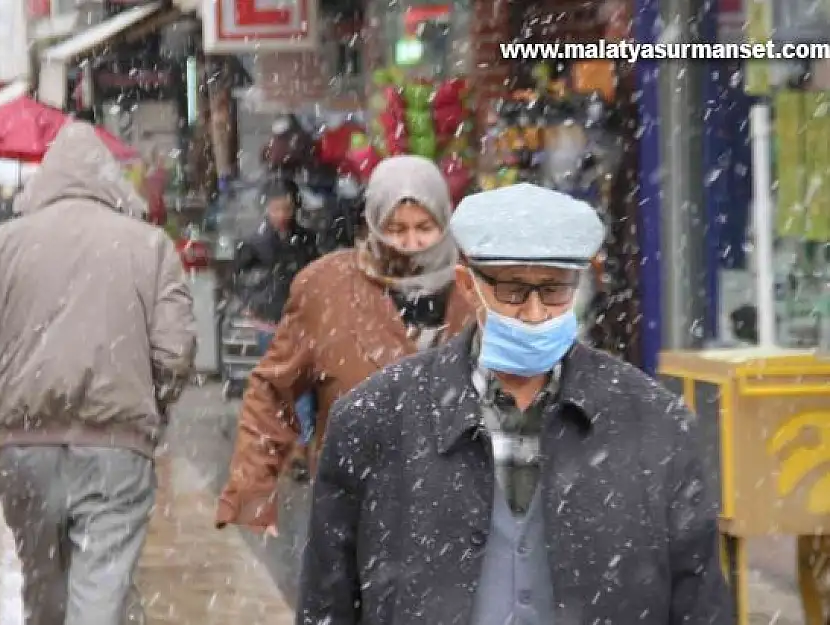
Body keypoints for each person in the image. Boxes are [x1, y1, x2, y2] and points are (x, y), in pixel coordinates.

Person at [297, 182, 733, 624]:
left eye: (555, 290)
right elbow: (327, 601)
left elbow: (700, 603)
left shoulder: (655, 424)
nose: (535, 312)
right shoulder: (376, 419)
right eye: (513, 290)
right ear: (468, 285)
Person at [0, 119, 196, 625]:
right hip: (118, 448)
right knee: (102, 591)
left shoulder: (0, 245)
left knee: (45, 595)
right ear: (108, 177)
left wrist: (20, 396)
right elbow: (175, 356)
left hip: (26, 452)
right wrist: (146, 401)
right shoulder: (149, 246)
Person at [216, 155, 472, 533]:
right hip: (354, 515)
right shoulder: (328, 288)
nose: (411, 242)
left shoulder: (473, 291)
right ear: (373, 223)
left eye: (424, 227)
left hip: (457, 516)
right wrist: (253, 490)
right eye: (396, 228)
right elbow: (272, 389)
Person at [233, 177, 320, 480]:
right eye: (275, 208)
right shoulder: (256, 242)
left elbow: (315, 273)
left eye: (285, 207)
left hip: (298, 321)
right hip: (268, 320)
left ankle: (301, 444)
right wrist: (252, 301)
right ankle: (279, 443)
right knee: (275, 383)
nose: (281, 214)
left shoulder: (305, 240)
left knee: (300, 384)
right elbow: (241, 276)